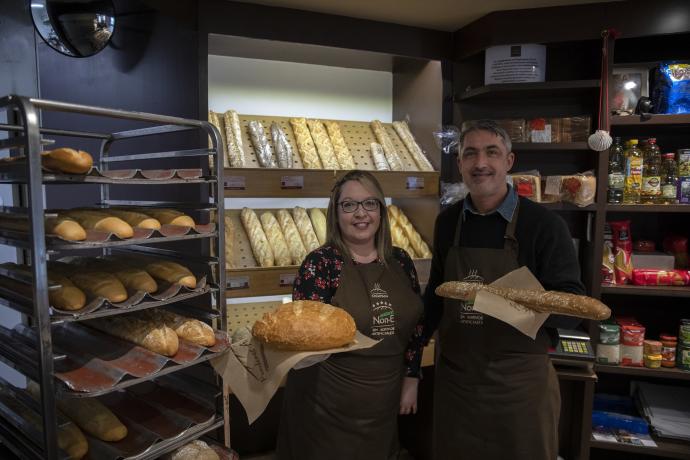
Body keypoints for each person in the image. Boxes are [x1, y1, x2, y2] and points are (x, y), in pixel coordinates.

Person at [421, 120, 585, 460]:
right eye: (471, 154)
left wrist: (513, 303)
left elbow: (573, 309)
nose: (481, 163)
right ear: (460, 164)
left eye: (491, 152)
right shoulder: (447, 222)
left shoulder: (544, 226)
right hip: (458, 384)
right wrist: (403, 348)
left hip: (519, 388)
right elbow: (435, 300)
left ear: (509, 162)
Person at [276, 170, 425, 460]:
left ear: (381, 211)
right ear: (336, 213)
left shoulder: (401, 261)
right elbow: (304, 343)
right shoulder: (320, 265)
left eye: (370, 204)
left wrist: (411, 378)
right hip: (326, 408)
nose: (361, 213)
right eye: (349, 205)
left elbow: (416, 329)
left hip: (382, 403)